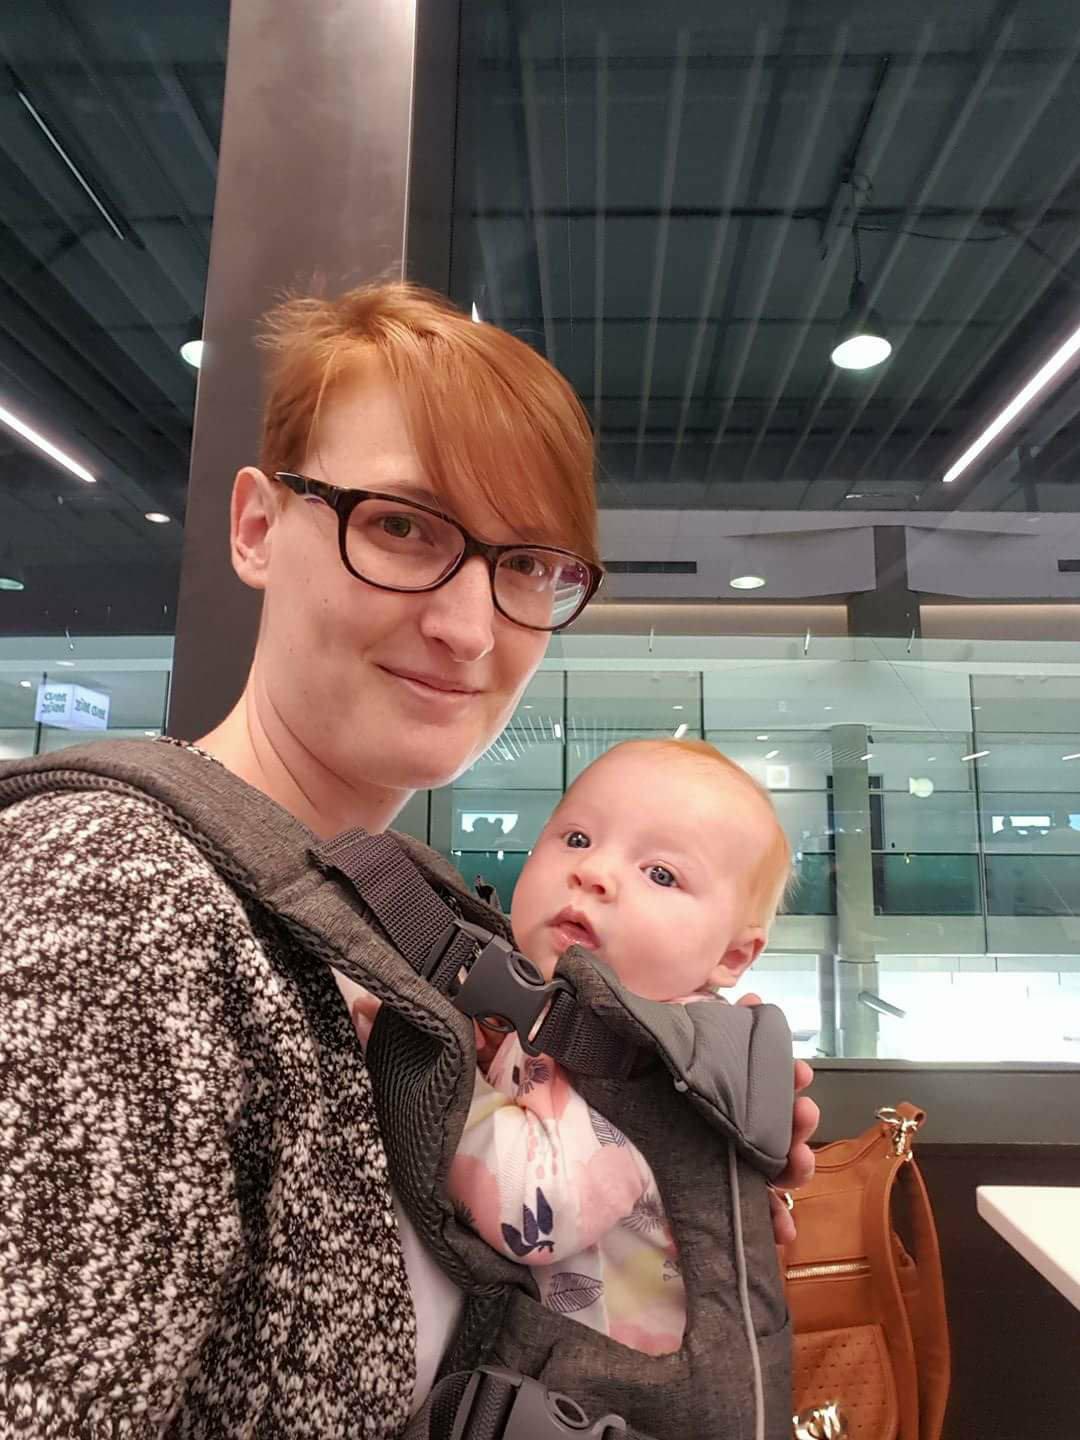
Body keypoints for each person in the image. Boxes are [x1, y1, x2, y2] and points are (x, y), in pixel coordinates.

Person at [0, 282, 817, 1436]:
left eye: (527, 562)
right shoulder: (115, 900)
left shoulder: (408, 926)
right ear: (255, 526)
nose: (471, 627)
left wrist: (679, 1207)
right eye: (400, 525)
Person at [449, 738, 791, 1356]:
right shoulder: (563, 1012)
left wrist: (437, 1066)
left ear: (733, 955)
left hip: (620, 1406)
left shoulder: (663, 1057)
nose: (594, 872)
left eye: (660, 873)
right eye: (576, 839)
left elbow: (534, 1210)